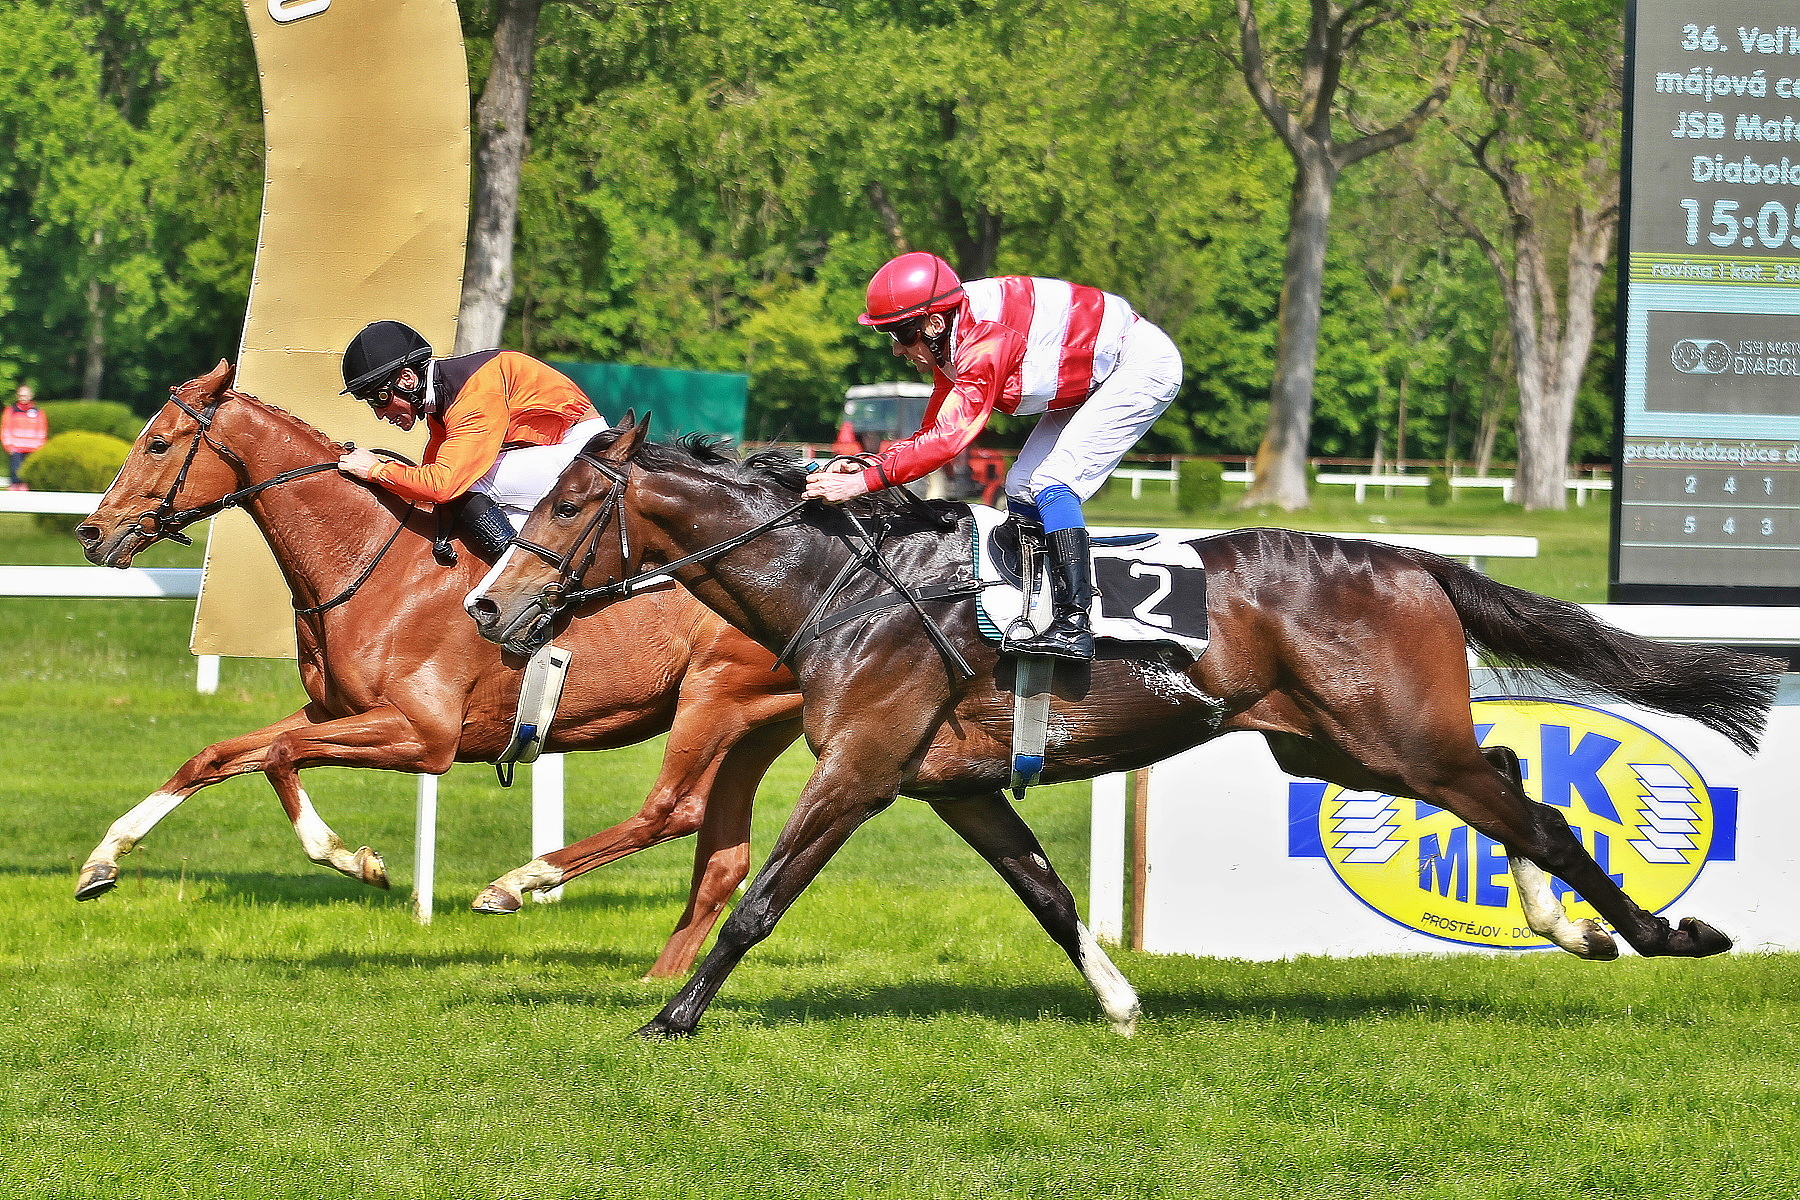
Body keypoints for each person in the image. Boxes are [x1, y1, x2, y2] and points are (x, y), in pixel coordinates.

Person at [804, 252, 1182, 660]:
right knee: (1021, 485)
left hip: (1139, 366)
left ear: (932, 323)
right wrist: (870, 465)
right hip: (1094, 373)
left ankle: (1075, 624)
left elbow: (950, 439)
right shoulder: (948, 329)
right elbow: (932, 430)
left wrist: (863, 483)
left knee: (1054, 481)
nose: (896, 349)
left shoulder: (982, 340)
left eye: (900, 334)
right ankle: (1033, 601)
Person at [335, 321, 608, 554]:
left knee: (467, 483)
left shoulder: (472, 393)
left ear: (406, 378)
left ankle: (510, 572)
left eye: (379, 398)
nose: (381, 414)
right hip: (566, 451)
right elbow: (428, 481)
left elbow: (441, 485)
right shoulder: (442, 401)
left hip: (587, 453)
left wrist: (376, 470)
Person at [2, 385, 47, 490]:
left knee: (30, 471)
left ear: (31, 396)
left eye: (25, 395)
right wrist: (9, 445)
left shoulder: (38, 412)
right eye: (21, 395)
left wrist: (40, 446)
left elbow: (41, 430)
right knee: (15, 470)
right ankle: (14, 488)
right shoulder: (11, 411)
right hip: (16, 447)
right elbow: (6, 429)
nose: (23, 397)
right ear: (17, 396)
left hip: (33, 448)